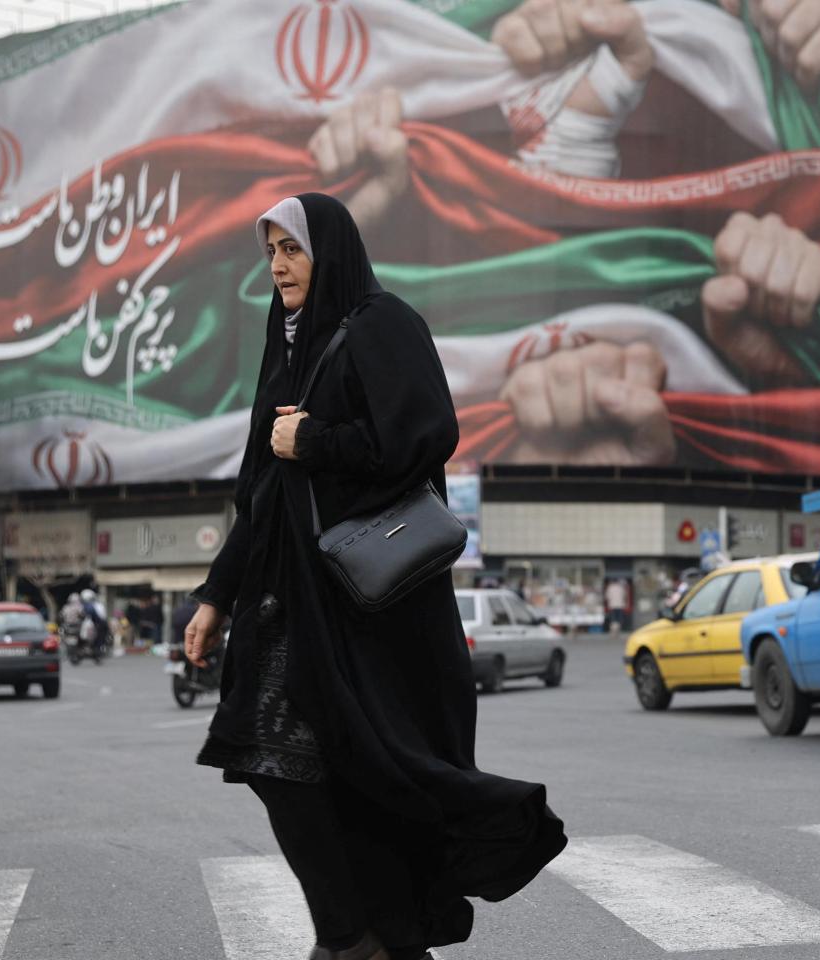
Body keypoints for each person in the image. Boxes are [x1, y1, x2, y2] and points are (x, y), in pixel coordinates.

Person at [182, 192, 566, 960]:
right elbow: (261, 495)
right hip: (287, 602)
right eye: (270, 252)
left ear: (329, 251)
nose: (279, 266)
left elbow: (424, 436)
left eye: (292, 248)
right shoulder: (284, 348)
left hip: (368, 612)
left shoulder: (383, 324)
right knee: (270, 758)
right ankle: (353, 935)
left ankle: (374, 940)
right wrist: (215, 596)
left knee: (365, 777)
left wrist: (315, 441)